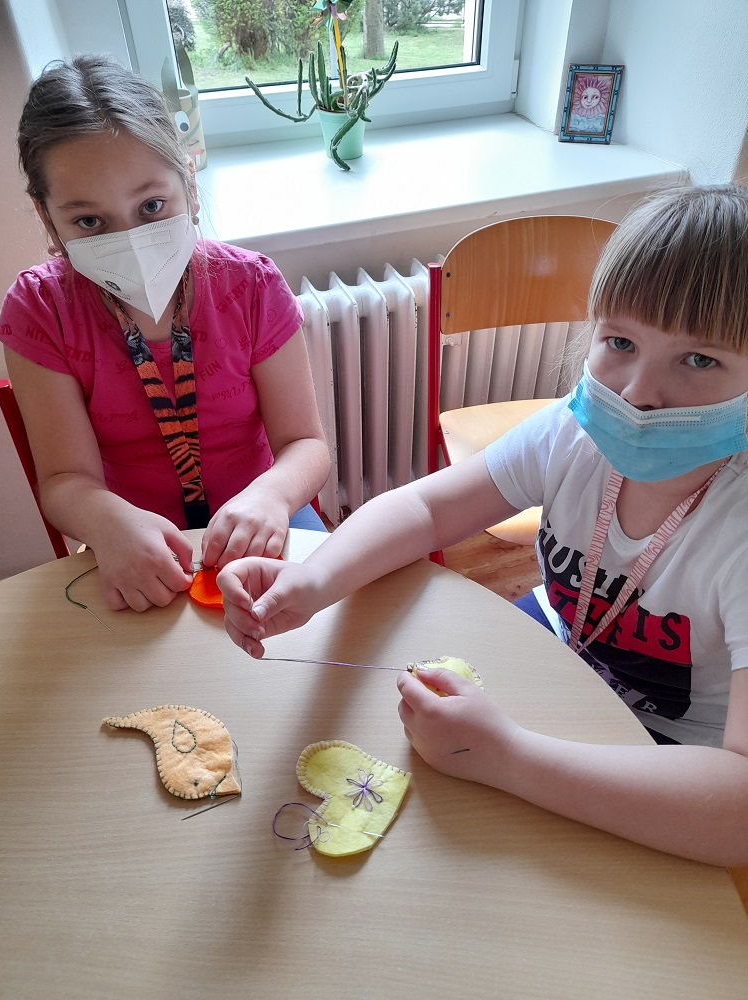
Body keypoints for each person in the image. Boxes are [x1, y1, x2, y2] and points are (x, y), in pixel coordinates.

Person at [218, 184, 748, 867]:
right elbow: (427, 509)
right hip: (563, 649)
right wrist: (316, 579)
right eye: (619, 341)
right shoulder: (571, 433)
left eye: (700, 360)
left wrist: (507, 757)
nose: (638, 393)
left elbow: (738, 809)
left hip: (675, 753)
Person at [0, 54, 330, 612]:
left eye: (151, 206)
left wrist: (272, 496)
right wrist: (107, 523)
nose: (129, 240)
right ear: (46, 216)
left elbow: (306, 445)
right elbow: (64, 480)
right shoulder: (39, 311)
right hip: (130, 542)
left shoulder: (251, 287)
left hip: (262, 517)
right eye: (89, 221)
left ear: (189, 185)